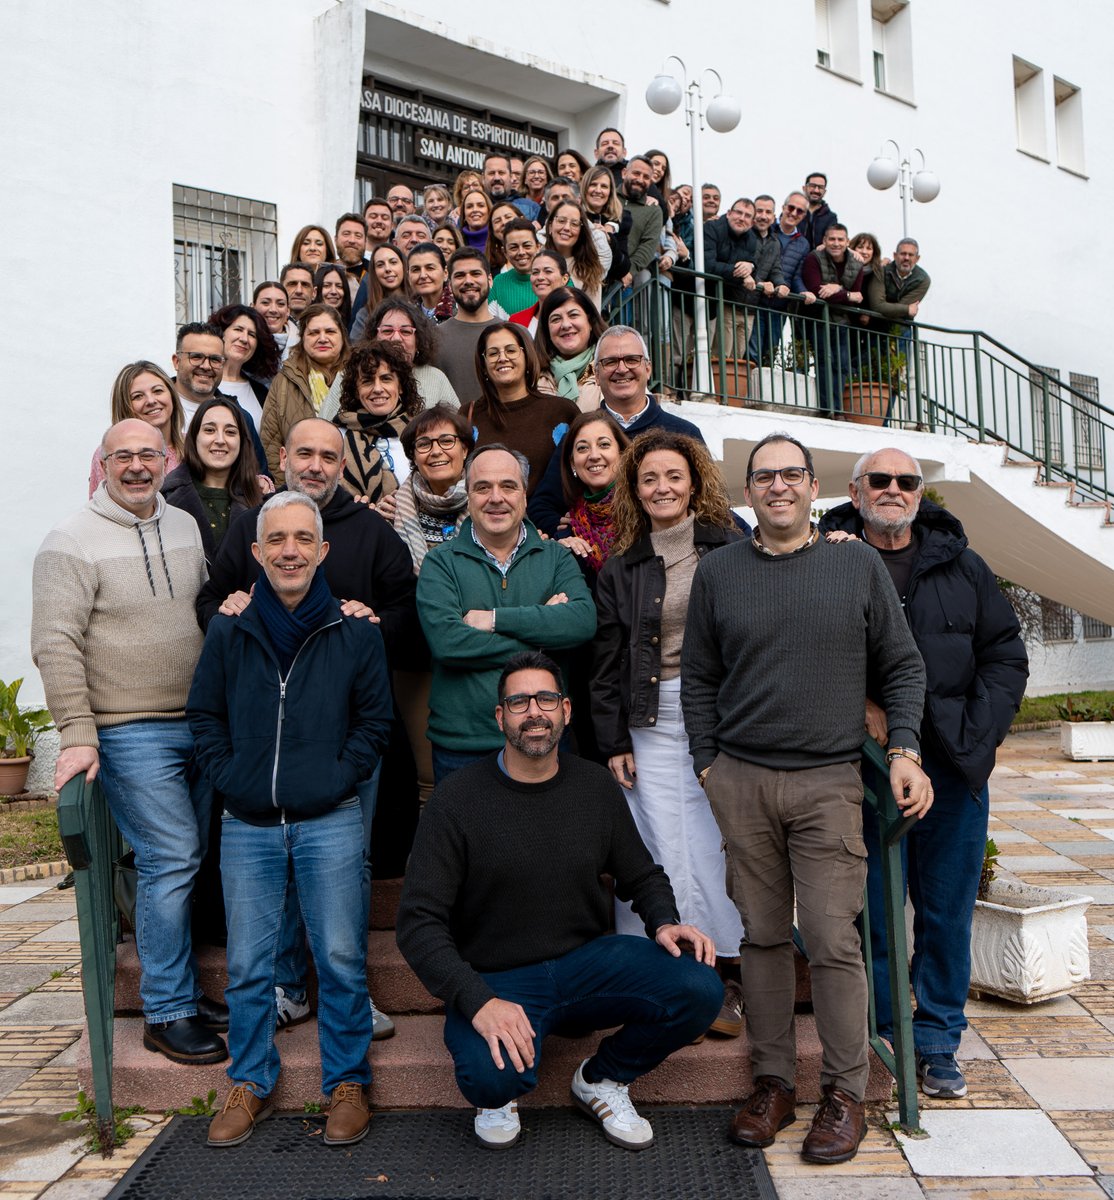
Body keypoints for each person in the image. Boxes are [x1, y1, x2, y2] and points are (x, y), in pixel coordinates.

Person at [680, 432, 931, 1165]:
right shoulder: (720, 571)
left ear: (814, 487)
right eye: (764, 476)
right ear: (747, 491)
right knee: (761, 937)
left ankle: (845, 1094)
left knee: (830, 938)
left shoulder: (854, 564)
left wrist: (905, 749)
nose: (778, 486)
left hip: (828, 782)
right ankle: (774, 1084)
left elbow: (903, 665)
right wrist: (708, 766)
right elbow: (698, 677)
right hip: (743, 780)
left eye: (792, 474)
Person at [396, 650, 722, 1151]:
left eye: (546, 698)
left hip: (586, 966)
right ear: (500, 716)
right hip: (498, 978)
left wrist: (663, 921)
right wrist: (478, 1001)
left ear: (566, 710)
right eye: (519, 702)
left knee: (698, 986)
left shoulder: (594, 785)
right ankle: (501, 1093)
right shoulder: (456, 800)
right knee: (489, 1079)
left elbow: (641, 873)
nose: (534, 712)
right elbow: (418, 923)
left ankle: (602, 1078)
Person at [196, 418, 417, 1040]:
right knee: (279, 865)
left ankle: (350, 997)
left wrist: (373, 621)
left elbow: (407, 609)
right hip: (264, 745)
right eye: (304, 453)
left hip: (348, 740)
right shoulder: (252, 526)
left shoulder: (372, 532)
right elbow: (210, 602)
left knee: (349, 866)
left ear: (342, 465)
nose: (315, 464)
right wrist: (228, 606)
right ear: (283, 457)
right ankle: (289, 987)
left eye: (328, 455)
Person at [819, 448, 1027, 1101]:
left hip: (953, 768)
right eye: (878, 480)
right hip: (864, 768)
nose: (893, 489)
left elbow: (1006, 656)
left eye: (906, 481)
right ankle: (889, 1030)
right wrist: (858, 704)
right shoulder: (827, 560)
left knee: (946, 913)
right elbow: (803, 653)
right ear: (856, 490)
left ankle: (937, 1041)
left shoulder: (964, 565)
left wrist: (979, 736)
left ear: (919, 493)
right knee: (876, 912)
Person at [189, 491, 393, 1148]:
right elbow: (205, 716)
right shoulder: (230, 629)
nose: (290, 551)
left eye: (303, 538)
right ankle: (249, 1079)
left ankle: (348, 1083)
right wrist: (232, 777)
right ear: (256, 551)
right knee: (250, 964)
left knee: (339, 958)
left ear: (323, 550)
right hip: (247, 823)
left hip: (330, 818)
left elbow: (375, 723)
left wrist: (336, 777)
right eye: (276, 539)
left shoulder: (355, 631)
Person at [32, 419, 227, 1066]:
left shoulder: (184, 524)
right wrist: (77, 733)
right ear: (104, 463)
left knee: (189, 860)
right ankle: (166, 1011)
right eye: (123, 456)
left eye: (149, 454)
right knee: (171, 857)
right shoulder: (69, 540)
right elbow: (54, 642)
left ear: (167, 459)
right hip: (129, 729)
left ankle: (185, 992)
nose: (137, 466)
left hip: (197, 722)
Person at [593, 431, 746, 1032]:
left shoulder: (731, 547)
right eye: (649, 478)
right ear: (635, 490)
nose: (662, 487)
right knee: (654, 838)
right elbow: (607, 660)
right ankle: (661, 968)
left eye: (674, 476)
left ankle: (723, 972)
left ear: (694, 483)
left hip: (720, 712)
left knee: (713, 837)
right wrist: (613, 740)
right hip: (648, 717)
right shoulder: (621, 566)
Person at [416, 444, 596, 783]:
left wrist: (495, 619)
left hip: (543, 739)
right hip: (463, 747)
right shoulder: (440, 563)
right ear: (468, 496)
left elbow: (582, 622)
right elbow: (448, 643)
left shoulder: (556, 557)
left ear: (524, 496)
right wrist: (543, 640)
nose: (496, 497)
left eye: (508, 486)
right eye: (483, 487)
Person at [528, 324, 705, 538]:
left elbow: (710, 502)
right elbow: (541, 506)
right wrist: (571, 532)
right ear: (596, 373)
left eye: (632, 359)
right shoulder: (579, 438)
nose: (621, 369)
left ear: (648, 368)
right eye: (610, 362)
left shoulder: (684, 433)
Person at [390, 405, 476, 807]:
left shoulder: (490, 504)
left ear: (465, 449)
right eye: (424, 444)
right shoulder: (391, 510)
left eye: (447, 440)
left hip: (475, 651)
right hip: (415, 655)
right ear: (412, 454)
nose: (436, 450)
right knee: (427, 776)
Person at [468, 323, 579, 499]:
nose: (502, 358)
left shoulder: (562, 411)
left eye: (511, 350)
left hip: (548, 515)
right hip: (487, 514)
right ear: (483, 365)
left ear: (527, 356)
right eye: (493, 353)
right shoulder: (469, 414)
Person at [162, 398, 265, 563]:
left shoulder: (262, 500)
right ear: (194, 437)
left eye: (230, 432)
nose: (220, 440)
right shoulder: (165, 499)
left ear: (242, 441)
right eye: (209, 430)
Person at [260, 304, 350, 474]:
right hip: (297, 482)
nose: (322, 338)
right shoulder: (285, 380)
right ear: (302, 339)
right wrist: (287, 485)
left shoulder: (359, 377)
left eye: (330, 332)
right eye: (313, 333)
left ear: (343, 336)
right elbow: (270, 442)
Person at [172, 322, 270, 475]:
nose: (206, 366)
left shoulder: (241, 418)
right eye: (196, 357)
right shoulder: (154, 409)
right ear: (176, 361)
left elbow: (258, 476)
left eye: (215, 359)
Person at [334, 340, 423, 506]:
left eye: (386, 379)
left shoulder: (421, 433)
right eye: (367, 381)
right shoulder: (336, 437)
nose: (377, 388)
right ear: (356, 390)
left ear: (400, 386)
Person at [89, 362, 184, 497]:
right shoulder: (108, 454)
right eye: (138, 396)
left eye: (158, 391)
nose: (151, 401)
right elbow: (100, 505)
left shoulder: (194, 446)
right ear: (124, 406)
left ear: (172, 395)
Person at [555, 410, 629, 581]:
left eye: (604, 445)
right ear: (572, 463)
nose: (594, 456)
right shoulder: (568, 533)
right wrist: (558, 553)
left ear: (622, 454)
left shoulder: (647, 513)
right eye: (582, 448)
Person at [800, 224, 865, 415]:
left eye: (840, 239)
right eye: (832, 239)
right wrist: (846, 294)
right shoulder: (814, 258)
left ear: (847, 242)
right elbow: (816, 291)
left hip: (842, 321)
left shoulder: (857, 264)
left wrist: (837, 289)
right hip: (819, 318)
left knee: (842, 365)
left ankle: (838, 409)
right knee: (824, 362)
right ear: (824, 241)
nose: (836, 243)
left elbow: (858, 296)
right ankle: (827, 408)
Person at [746, 192, 812, 364]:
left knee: (770, 353)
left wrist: (803, 291)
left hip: (779, 305)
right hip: (756, 299)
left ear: (804, 215)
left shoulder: (803, 244)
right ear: (783, 208)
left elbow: (796, 275)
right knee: (752, 352)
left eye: (800, 211)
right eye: (791, 207)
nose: (794, 213)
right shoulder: (766, 229)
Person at [368, 297, 459, 409]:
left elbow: (455, 419)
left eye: (405, 331)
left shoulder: (436, 378)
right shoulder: (357, 375)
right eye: (387, 331)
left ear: (418, 340)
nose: (396, 338)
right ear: (374, 337)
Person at [436, 249, 500, 402]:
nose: (468, 281)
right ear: (450, 285)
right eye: (460, 275)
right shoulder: (433, 339)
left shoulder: (514, 334)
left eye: (476, 274)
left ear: (490, 280)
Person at [534, 286, 608, 411]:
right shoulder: (532, 376)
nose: (565, 325)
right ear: (547, 330)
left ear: (590, 322)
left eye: (573, 315)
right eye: (556, 319)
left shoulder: (612, 368)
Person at [209, 303, 280, 430]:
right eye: (238, 329)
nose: (244, 339)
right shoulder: (201, 382)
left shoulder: (262, 393)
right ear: (221, 332)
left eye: (252, 334)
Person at [703, 198, 759, 359]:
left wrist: (750, 267)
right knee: (711, 354)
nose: (742, 218)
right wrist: (742, 273)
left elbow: (751, 264)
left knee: (735, 359)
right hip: (700, 295)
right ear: (728, 213)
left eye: (747, 215)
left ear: (752, 223)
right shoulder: (712, 228)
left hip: (724, 299)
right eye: (738, 212)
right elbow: (707, 265)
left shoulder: (751, 238)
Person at [543, 202, 609, 310]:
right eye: (561, 221)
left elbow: (592, 315)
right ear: (550, 226)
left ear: (581, 231)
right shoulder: (535, 261)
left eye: (574, 224)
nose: (567, 228)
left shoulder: (589, 270)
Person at [583, 165, 632, 288]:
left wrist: (609, 239)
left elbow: (624, 267)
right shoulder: (573, 214)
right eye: (593, 184)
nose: (598, 190)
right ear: (584, 187)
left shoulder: (617, 220)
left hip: (603, 289)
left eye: (604, 186)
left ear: (610, 192)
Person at [619, 158, 664, 286]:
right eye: (636, 173)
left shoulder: (653, 210)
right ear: (624, 173)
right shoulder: (608, 197)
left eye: (646, 177)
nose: (640, 180)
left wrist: (629, 271)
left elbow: (647, 246)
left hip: (625, 281)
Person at [867, 239, 931, 327]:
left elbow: (899, 310)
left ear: (917, 258)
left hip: (902, 326)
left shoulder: (923, 279)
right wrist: (907, 309)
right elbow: (877, 306)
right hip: (876, 325)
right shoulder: (882, 270)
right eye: (903, 254)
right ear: (895, 255)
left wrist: (888, 307)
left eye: (911, 255)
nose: (906, 258)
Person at [351, 243, 407, 340]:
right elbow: (356, 346)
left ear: (403, 266)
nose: (388, 269)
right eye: (380, 265)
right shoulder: (365, 314)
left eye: (393, 262)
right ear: (374, 272)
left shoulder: (419, 304)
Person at [508, 248, 569, 336]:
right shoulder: (516, 321)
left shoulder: (576, 316)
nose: (540, 277)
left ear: (564, 279)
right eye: (535, 272)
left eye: (548, 271)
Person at [489, 219, 539, 318]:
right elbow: (488, 319)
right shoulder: (499, 282)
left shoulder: (557, 277)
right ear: (505, 252)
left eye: (527, 246)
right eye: (513, 247)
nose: (521, 252)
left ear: (538, 247)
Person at [482, 152, 540, 222]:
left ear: (510, 176)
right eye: (491, 173)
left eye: (501, 173)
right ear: (483, 178)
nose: (497, 178)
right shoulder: (476, 208)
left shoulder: (531, 208)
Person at [406, 241, 454, 323]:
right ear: (408, 276)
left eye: (430, 268)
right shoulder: (405, 315)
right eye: (416, 270)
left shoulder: (461, 311)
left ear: (445, 273)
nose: (423, 275)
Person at [252, 281, 295, 360]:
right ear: (253, 307)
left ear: (288, 311)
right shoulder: (242, 343)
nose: (273, 310)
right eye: (265, 302)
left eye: (280, 304)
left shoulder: (304, 346)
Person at [334, 212, 369, 297]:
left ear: (365, 242)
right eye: (346, 234)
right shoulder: (324, 271)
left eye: (358, 236)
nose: (352, 240)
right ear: (335, 239)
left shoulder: (375, 273)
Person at [486, 201, 526, 274]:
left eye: (508, 217)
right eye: (497, 221)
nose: (504, 222)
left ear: (521, 219)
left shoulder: (540, 252)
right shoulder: (488, 266)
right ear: (492, 231)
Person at [313, 262, 354, 333]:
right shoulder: (305, 322)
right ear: (315, 291)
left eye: (339, 286)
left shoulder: (353, 327)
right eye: (327, 285)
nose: (334, 291)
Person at [802, 172, 838, 251]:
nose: (816, 190)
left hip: (819, 257)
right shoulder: (794, 212)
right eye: (812, 186)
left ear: (824, 192)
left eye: (820, 187)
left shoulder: (831, 218)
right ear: (804, 188)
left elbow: (834, 239)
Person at [458, 188, 493, 254]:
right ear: (464, 214)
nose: (475, 210)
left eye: (481, 206)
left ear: (489, 211)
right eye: (469, 206)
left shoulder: (500, 241)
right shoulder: (455, 243)